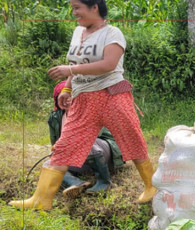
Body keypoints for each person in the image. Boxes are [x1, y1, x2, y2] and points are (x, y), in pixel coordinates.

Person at [9, 0, 156, 210]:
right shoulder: (78, 32)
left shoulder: (112, 33)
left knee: (131, 138)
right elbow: (76, 64)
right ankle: (41, 200)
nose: (74, 12)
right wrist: (68, 88)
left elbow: (108, 64)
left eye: (78, 7)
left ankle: (151, 185)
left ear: (94, 7)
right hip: (83, 99)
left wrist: (70, 72)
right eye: (73, 8)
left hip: (111, 96)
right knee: (65, 145)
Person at [48, 80, 124, 198]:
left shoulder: (93, 111)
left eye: (72, 95)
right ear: (58, 100)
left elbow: (103, 136)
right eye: (63, 97)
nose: (68, 99)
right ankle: (76, 183)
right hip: (79, 156)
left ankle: (104, 181)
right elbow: (56, 144)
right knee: (49, 164)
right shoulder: (55, 118)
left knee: (85, 142)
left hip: (102, 151)